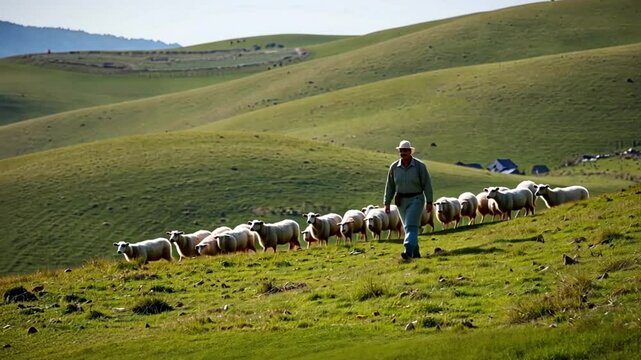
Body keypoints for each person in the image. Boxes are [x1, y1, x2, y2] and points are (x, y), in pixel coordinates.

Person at [384, 140, 433, 260]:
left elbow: (427, 184)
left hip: (416, 199)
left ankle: (407, 250)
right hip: (401, 201)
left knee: (411, 226)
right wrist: (387, 202)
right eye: (401, 151)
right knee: (408, 227)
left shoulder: (420, 166)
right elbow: (390, 185)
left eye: (405, 150)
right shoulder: (394, 167)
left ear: (410, 152)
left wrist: (429, 201)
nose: (403, 153)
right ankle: (415, 254)